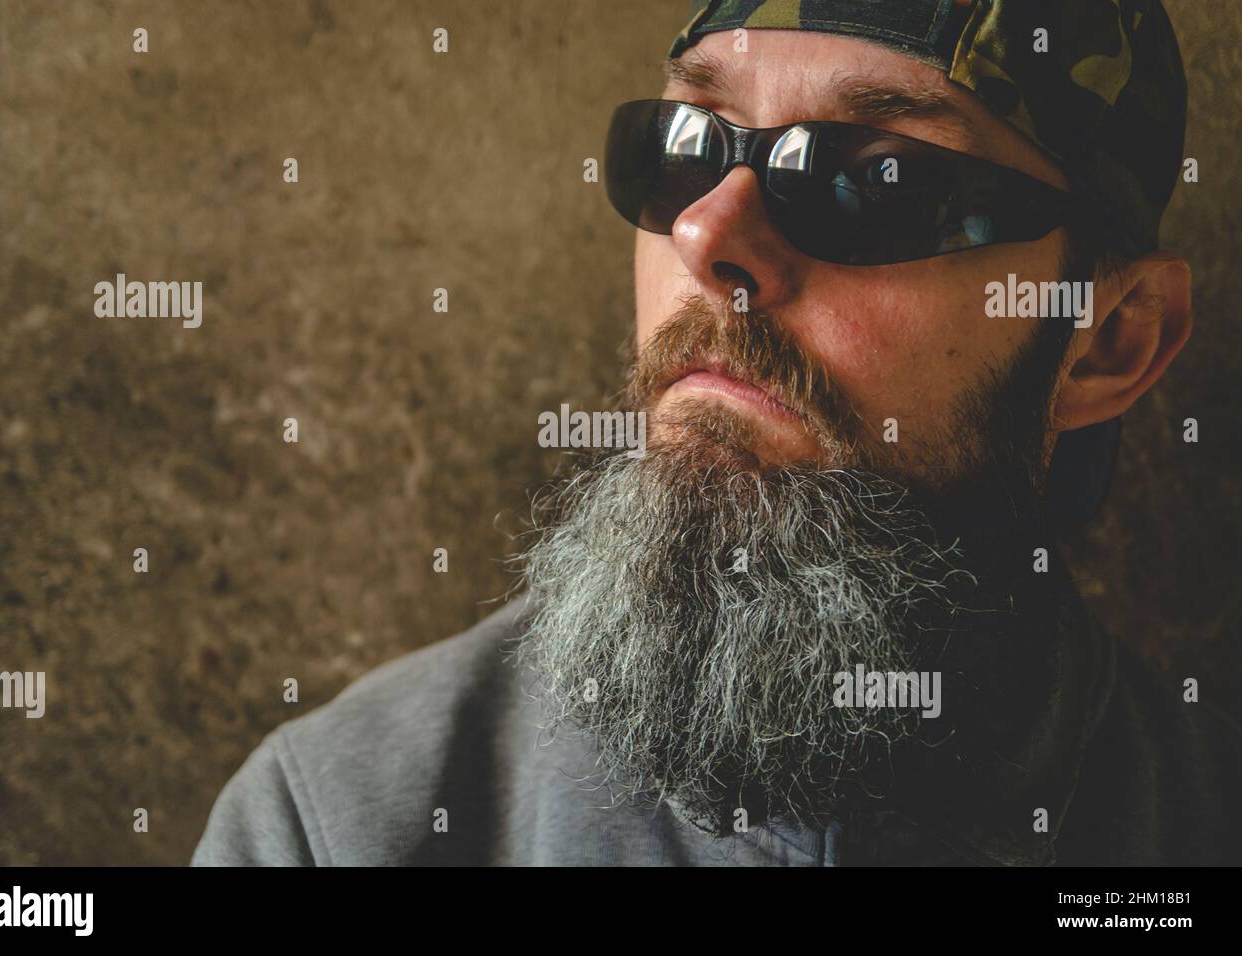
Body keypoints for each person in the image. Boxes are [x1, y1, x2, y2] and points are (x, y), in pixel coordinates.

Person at [191, 0, 1240, 866]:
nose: (705, 235)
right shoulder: (337, 828)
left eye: (876, 178)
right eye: (688, 145)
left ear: (1106, 343)